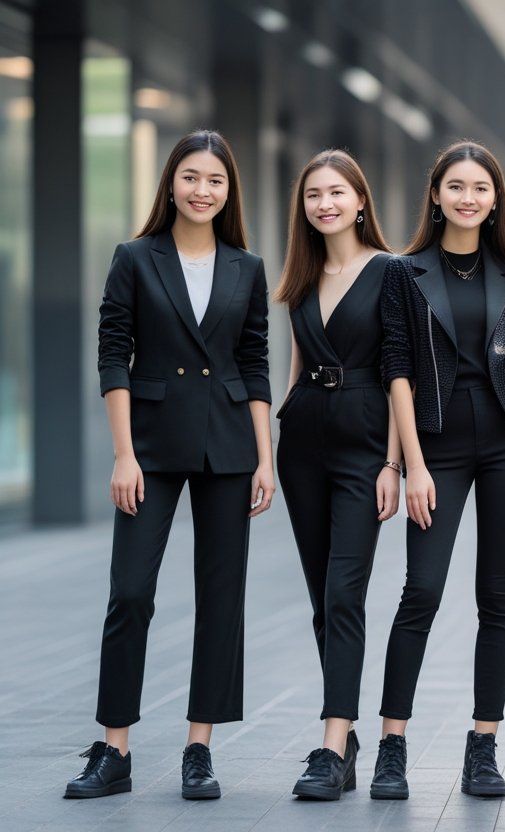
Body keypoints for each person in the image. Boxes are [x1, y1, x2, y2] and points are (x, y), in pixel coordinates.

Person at [67, 130, 273, 800]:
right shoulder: (134, 257)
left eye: (214, 179)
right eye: (190, 177)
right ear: (171, 183)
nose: (202, 190)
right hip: (150, 446)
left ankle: (199, 747)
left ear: (227, 190)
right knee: (130, 591)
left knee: (221, 600)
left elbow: (256, 365)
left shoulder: (246, 265)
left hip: (227, 446)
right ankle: (115, 747)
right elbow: (112, 355)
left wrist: (264, 458)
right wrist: (124, 454)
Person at [375, 141, 505, 800]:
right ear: (436, 196)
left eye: (480, 188)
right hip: (435, 447)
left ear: (495, 199)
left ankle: (484, 745)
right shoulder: (403, 271)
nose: (468, 198)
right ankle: (391, 744)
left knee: (497, 599)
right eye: (456, 187)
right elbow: (396, 369)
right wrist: (409, 465)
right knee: (422, 591)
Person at [273, 149, 400, 799]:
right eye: (313, 195)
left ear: (359, 201)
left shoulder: (390, 272)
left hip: (362, 445)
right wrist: (274, 446)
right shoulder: (302, 272)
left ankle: (329, 744)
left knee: (345, 592)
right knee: (324, 596)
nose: (324, 204)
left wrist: (393, 462)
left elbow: (400, 373)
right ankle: (344, 739)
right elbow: (296, 363)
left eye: (336, 193)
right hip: (303, 445)